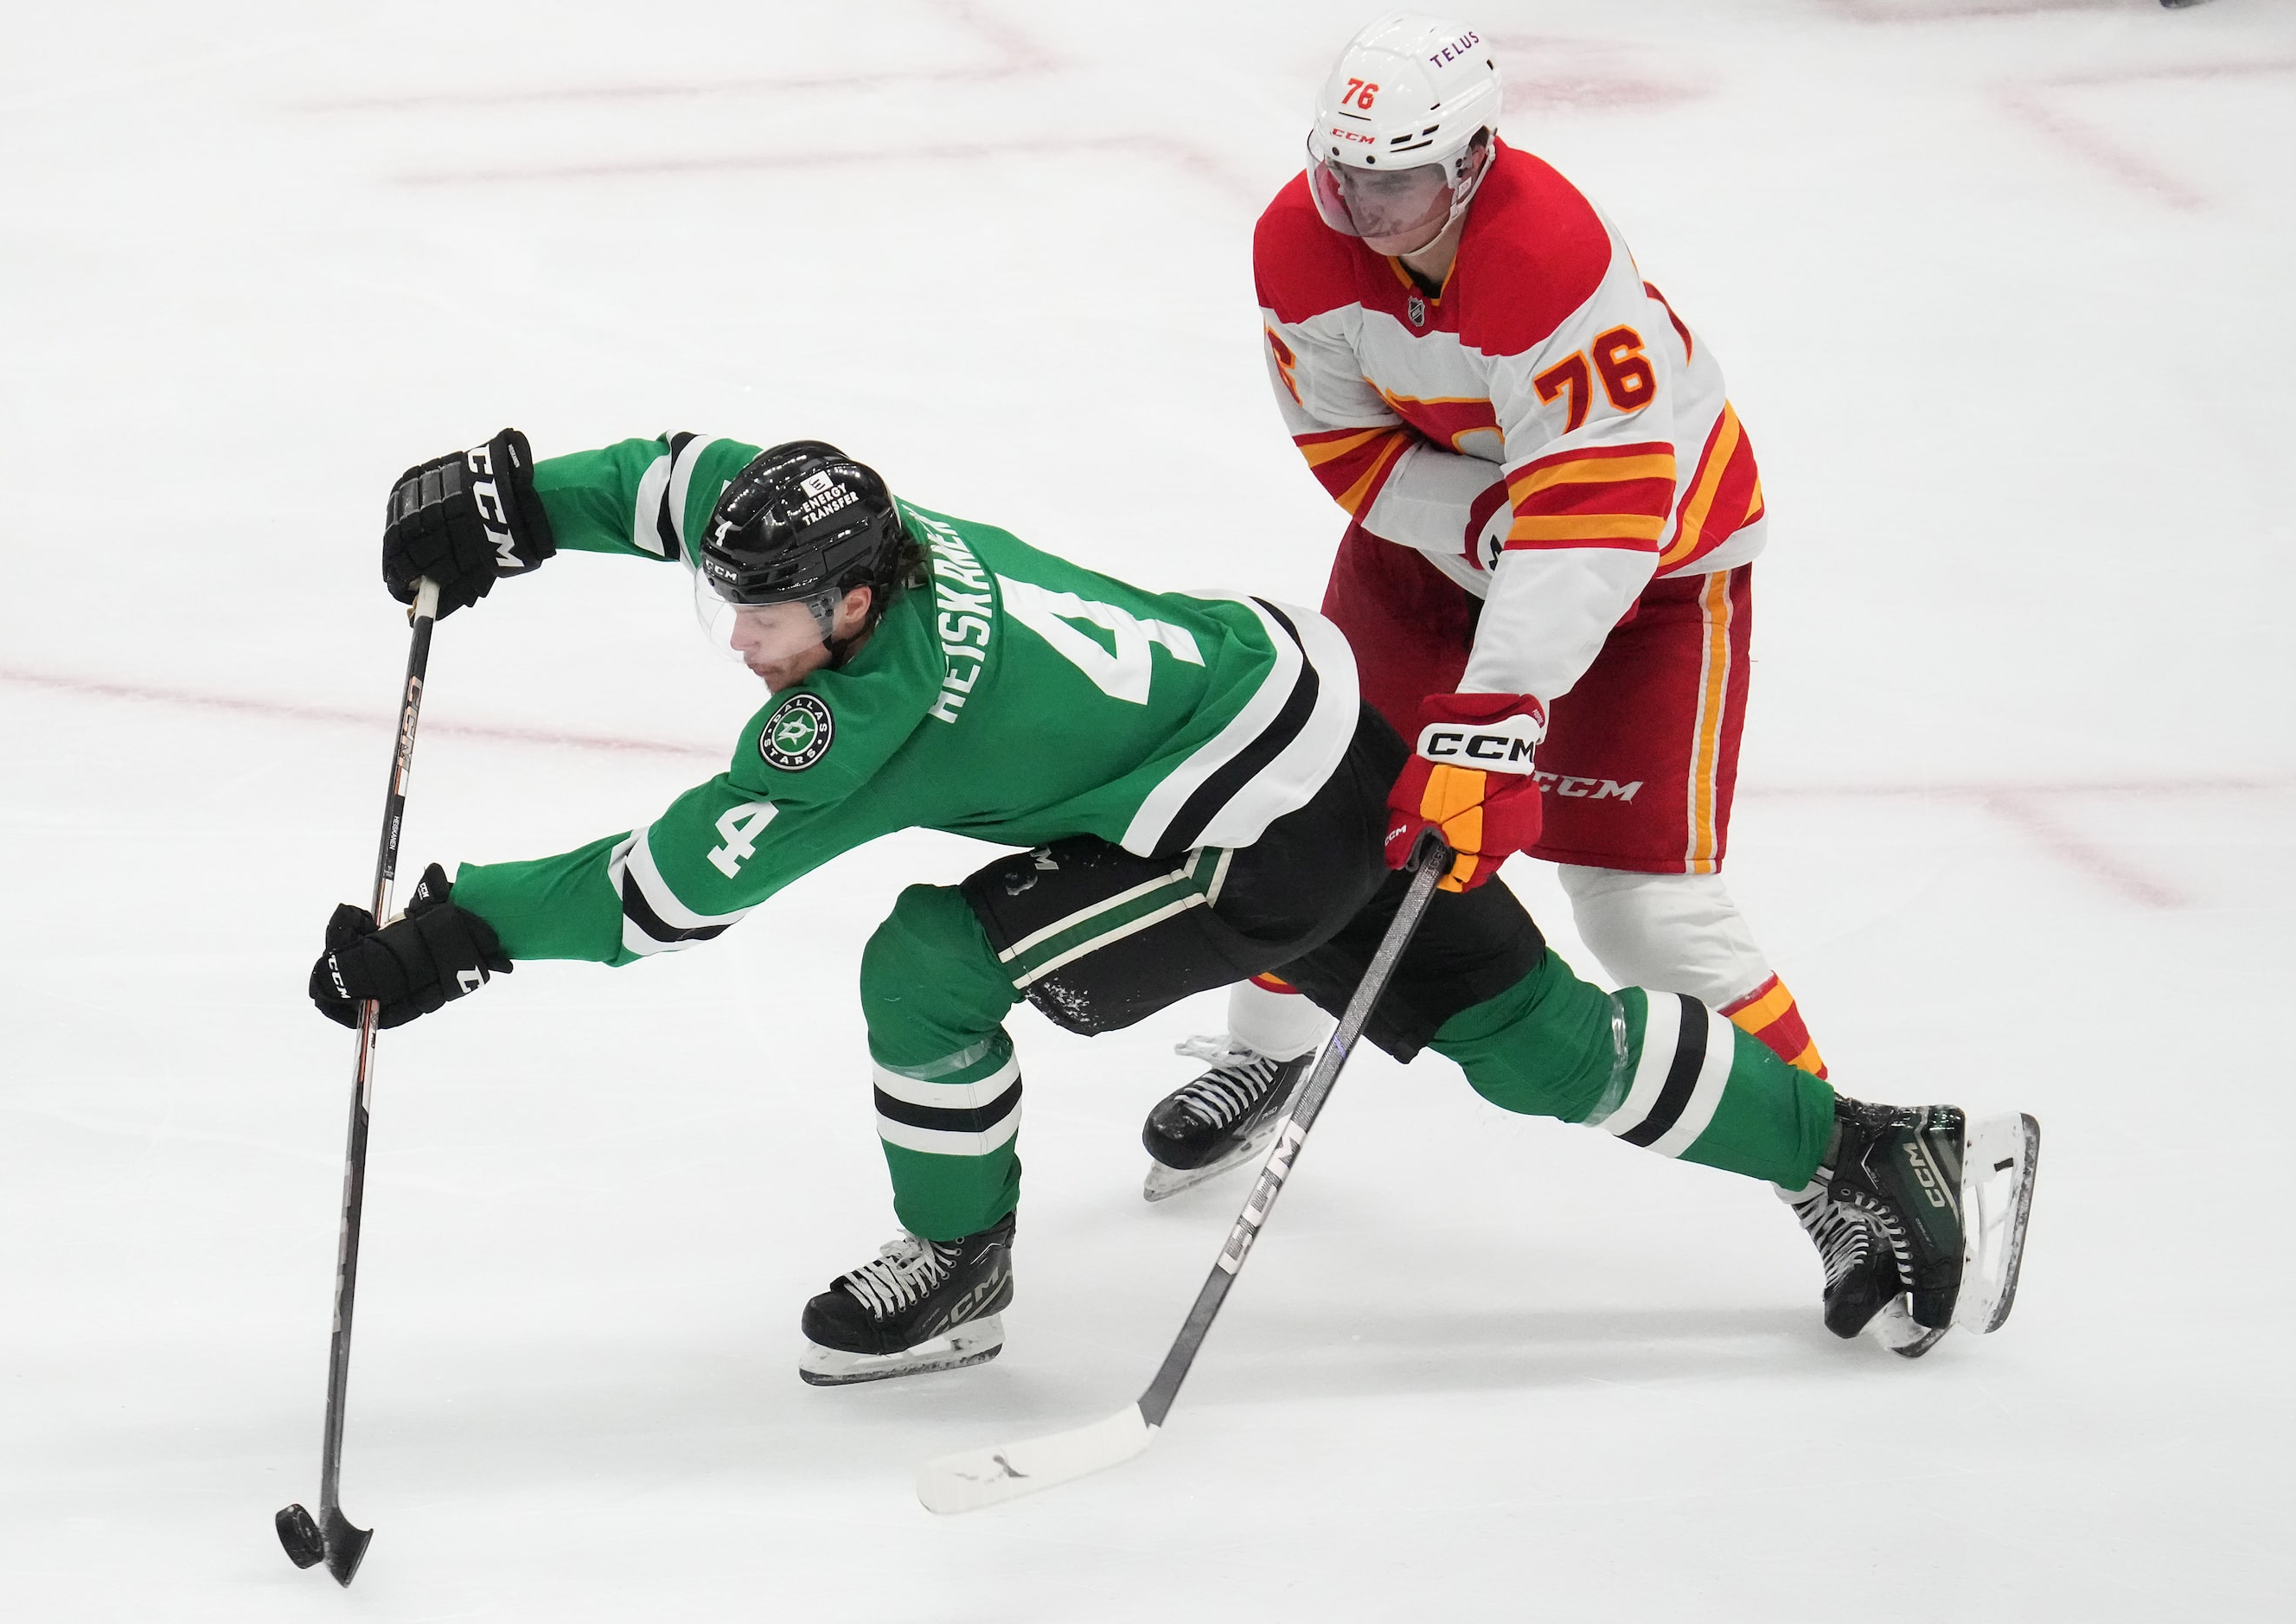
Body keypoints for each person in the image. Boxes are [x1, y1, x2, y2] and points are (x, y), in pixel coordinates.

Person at [309, 427, 2036, 1383]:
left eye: (759, 617)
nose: (738, 638)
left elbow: (660, 898)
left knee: (926, 964)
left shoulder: (856, 724)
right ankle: (1867, 1147)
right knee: (1525, 1036)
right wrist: (525, 506)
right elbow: (687, 474)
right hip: (1321, 721)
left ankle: (958, 1262)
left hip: (1249, 848)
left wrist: (450, 934)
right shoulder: (863, 518)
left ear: (848, 605)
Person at [1142, 12, 1893, 1331]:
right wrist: (1480, 524)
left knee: (1642, 918)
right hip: (1430, 553)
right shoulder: (1295, 241)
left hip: (1652, 568)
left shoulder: (1547, 255)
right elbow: (1349, 454)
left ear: (1474, 158)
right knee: (1312, 813)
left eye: (1396, 179)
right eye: (1340, 172)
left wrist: (1490, 718)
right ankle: (1263, 1054)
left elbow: (1602, 511)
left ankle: (1842, 1167)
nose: (1361, 206)